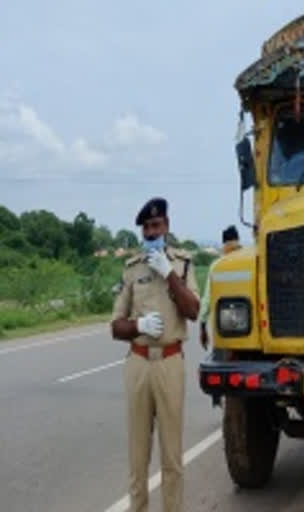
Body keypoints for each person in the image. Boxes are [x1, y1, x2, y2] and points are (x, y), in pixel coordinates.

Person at [111, 197, 200, 512]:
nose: (151, 231)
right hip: (138, 364)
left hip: (170, 364)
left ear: (167, 226)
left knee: (172, 457)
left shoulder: (183, 263)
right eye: (147, 227)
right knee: (138, 457)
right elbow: (115, 326)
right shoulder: (132, 269)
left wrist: (169, 274)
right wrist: (138, 324)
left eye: (156, 225)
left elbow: (192, 310)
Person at [199, 225, 241, 350]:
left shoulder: (217, 266)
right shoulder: (250, 263)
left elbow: (207, 299)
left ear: (223, 243)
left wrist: (202, 326)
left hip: (224, 326)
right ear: (238, 240)